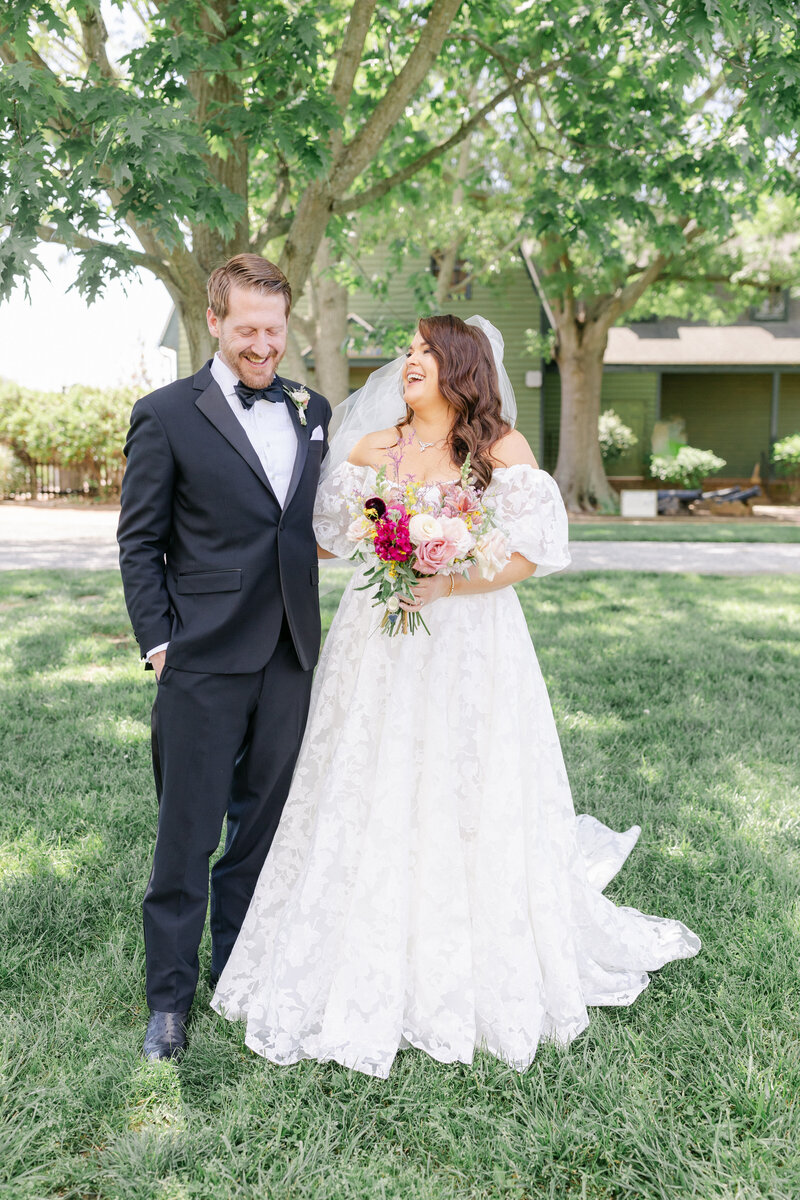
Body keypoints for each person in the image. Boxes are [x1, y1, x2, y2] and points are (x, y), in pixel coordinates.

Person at [211, 314, 700, 1078]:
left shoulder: (500, 450)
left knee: (467, 776)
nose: (409, 361)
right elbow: (326, 537)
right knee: (367, 777)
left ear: (460, 366)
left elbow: (532, 554)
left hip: (472, 636)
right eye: (406, 351)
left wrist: (451, 576)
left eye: (425, 352)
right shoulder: (373, 448)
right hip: (376, 638)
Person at [117, 254, 331, 1061]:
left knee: (261, 831)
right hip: (201, 657)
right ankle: (167, 1002)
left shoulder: (316, 409)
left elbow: (305, 524)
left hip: (290, 654)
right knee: (187, 834)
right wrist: (161, 643)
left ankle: (235, 972)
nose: (262, 345)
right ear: (214, 321)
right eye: (247, 328)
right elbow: (139, 541)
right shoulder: (166, 413)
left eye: (274, 330)